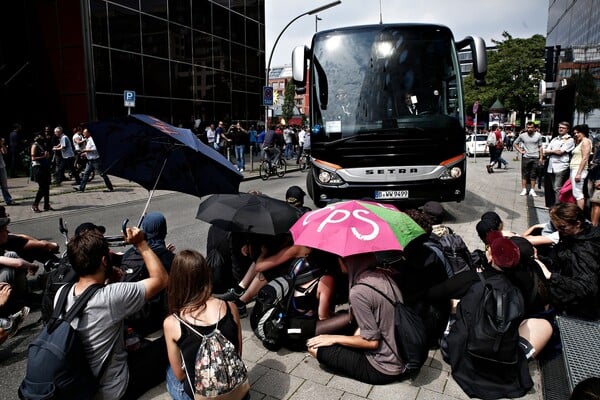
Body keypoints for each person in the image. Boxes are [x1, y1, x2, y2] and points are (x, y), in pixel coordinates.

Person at [58, 226, 168, 399]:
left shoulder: (62, 293)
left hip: (79, 383)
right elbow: (161, 279)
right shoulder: (111, 296)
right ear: (104, 261)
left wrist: (107, 282)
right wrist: (141, 243)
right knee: (168, 340)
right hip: (113, 390)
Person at [307, 252, 407, 384]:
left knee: (314, 347)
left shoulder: (358, 292)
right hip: (399, 351)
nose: (339, 262)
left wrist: (333, 338)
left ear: (350, 262)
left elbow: (372, 343)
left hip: (382, 367)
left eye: (342, 259)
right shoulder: (384, 275)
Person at [163, 249, 248, 400]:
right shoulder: (230, 307)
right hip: (238, 393)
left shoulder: (172, 322)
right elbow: (237, 353)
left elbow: (180, 374)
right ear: (206, 275)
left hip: (202, 396)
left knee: (170, 372)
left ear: (176, 281)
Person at [533, 202, 600, 320]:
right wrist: (538, 259)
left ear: (577, 224)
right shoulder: (570, 235)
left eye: (562, 227)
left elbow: (586, 286)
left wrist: (552, 276)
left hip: (581, 306)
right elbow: (558, 259)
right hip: (566, 285)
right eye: (556, 227)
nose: (558, 231)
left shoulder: (585, 248)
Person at [73, 127, 114, 193]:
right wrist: (85, 154)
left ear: (88, 133)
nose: (83, 134)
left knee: (102, 174)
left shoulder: (92, 139)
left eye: (84, 133)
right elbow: (90, 149)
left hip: (95, 160)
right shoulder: (88, 140)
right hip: (90, 160)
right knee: (86, 174)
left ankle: (110, 187)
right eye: (83, 132)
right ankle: (81, 188)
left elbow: (95, 149)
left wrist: (84, 150)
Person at [543, 122, 574, 206]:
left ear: (567, 129)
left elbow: (560, 152)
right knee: (554, 188)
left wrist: (550, 151)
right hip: (551, 166)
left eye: (563, 128)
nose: (560, 129)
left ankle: (558, 207)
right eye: (559, 127)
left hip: (561, 166)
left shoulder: (570, 140)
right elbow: (545, 151)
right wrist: (553, 151)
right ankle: (556, 205)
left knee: (557, 188)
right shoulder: (555, 139)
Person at [513, 122, 543, 196]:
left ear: (534, 128)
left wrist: (541, 157)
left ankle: (532, 190)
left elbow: (540, 147)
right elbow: (515, 143)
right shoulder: (522, 136)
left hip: (535, 157)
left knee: (534, 174)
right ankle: (524, 189)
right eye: (528, 127)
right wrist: (520, 151)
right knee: (524, 174)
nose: (529, 129)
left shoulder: (538, 135)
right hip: (526, 157)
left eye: (531, 127)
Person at [569, 124, 592, 210]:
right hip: (575, 169)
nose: (576, 134)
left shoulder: (586, 141)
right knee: (576, 193)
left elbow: (585, 158)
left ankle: (580, 215)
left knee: (578, 194)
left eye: (578, 132)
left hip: (579, 169)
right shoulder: (580, 142)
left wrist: (578, 173)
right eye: (574, 133)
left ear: (584, 132)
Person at [30, 134, 53, 212]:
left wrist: (47, 155)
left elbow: (46, 155)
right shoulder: (34, 145)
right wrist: (43, 156)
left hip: (44, 167)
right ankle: (35, 205)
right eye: (40, 136)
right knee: (42, 187)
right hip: (38, 168)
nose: (41, 137)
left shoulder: (42, 145)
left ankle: (46, 205)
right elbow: (33, 158)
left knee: (46, 187)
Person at [0, 138, 15, 205]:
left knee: (4, 185)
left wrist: (2, 144)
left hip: (2, 166)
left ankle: (8, 200)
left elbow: (5, 152)